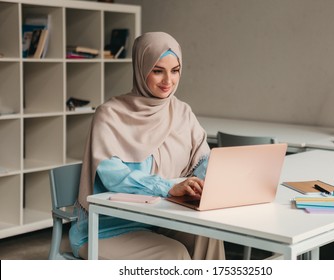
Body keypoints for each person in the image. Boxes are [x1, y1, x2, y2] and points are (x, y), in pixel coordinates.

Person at [69, 32, 226, 260]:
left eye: (175, 71)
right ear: (141, 69)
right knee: (175, 254)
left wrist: (220, 181)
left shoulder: (182, 112)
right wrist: (167, 188)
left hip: (160, 219)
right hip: (109, 227)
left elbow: (203, 159)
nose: (168, 81)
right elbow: (113, 176)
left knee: (209, 232)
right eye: (157, 70)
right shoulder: (110, 114)